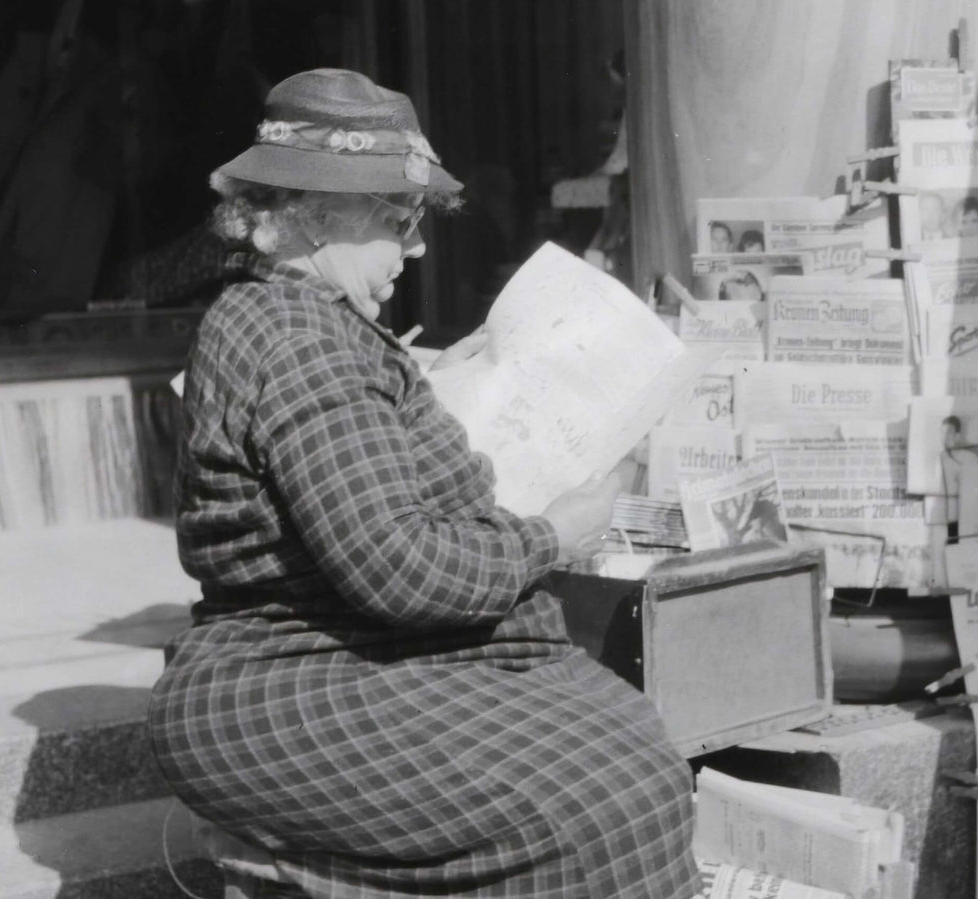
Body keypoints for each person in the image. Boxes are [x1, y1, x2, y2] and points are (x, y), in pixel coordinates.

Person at [148, 69, 701, 898]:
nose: (415, 248)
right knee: (601, 797)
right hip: (284, 682)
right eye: (397, 220)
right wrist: (554, 532)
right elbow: (396, 566)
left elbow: (364, 487)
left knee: (627, 757)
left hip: (353, 652)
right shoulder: (297, 338)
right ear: (310, 212)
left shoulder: (308, 321)